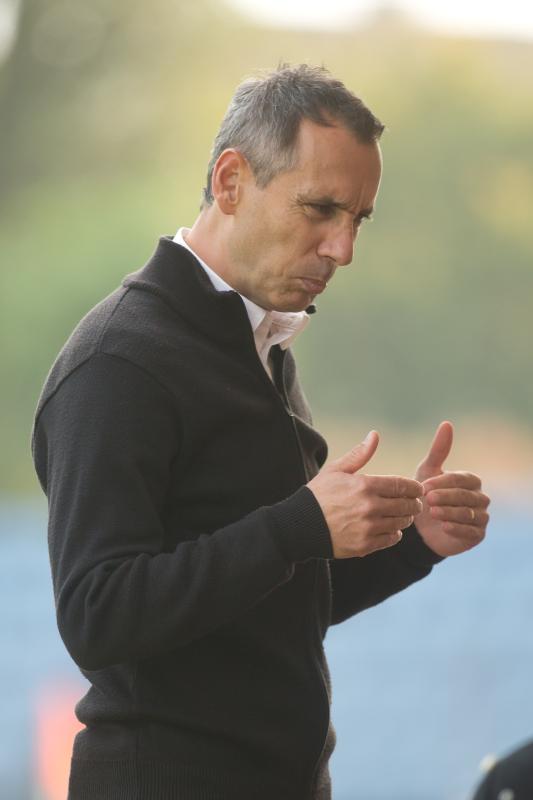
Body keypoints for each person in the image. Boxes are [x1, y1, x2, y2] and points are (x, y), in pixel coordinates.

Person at [31, 63, 490, 800]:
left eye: (358, 219)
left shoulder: (257, 342)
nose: (343, 248)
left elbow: (272, 603)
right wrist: (298, 524)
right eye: (321, 209)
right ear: (230, 181)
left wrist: (415, 542)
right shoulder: (119, 360)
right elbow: (97, 615)